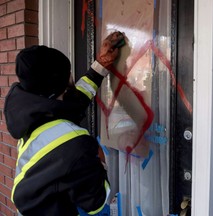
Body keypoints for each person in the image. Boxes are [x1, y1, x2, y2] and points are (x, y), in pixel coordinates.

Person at [4, 31, 125, 216]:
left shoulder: (30, 112)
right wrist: (100, 163)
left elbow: (73, 103)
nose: (72, 77)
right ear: (60, 83)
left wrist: (100, 65)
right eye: (68, 74)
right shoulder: (76, 144)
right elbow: (97, 204)